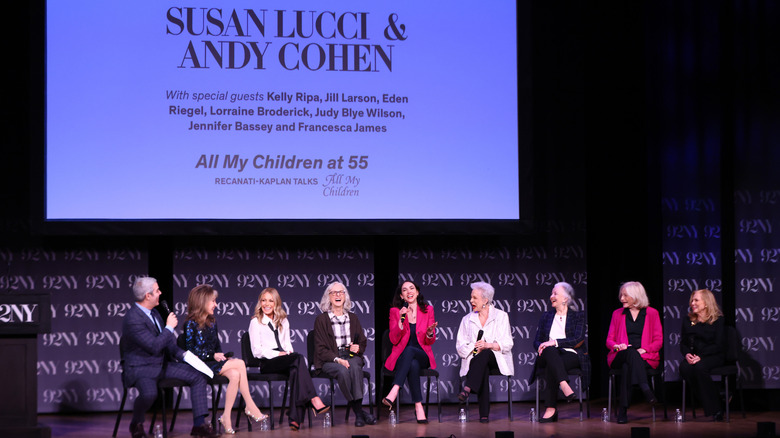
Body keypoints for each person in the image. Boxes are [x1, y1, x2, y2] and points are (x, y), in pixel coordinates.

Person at [121, 277, 219, 438]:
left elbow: (169, 345)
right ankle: (136, 423)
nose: (160, 293)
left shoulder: (154, 313)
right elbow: (154, 346)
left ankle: (199, 425)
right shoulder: (133, 319)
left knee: (198, 376)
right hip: (141, 368)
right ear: (148, 296)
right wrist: (168, 327)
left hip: (162, 365)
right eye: (157, 291)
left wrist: (187, 357)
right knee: (149, 394)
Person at [184, 284, 268, 434]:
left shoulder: (212, 321)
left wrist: (221, 355)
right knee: (240, 363)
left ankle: (226, 417)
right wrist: (212, 356)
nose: (216, 305)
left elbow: (217, 346)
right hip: (200, 366)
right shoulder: (190, 324)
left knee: (235, 374)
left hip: (213, 363)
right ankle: (250, 405)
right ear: (202, 302)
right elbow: (191, 353)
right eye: (213, 301)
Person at [247, 287, 330, 431]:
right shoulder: (256, 322)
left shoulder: (283, 320)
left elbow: (287, 345)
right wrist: (278, 354)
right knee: (298, 359)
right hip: (267, 362)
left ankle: (294, 419)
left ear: (276, 303)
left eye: (270, 301)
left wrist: (287, 353)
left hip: (284, 360)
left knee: (296, 369)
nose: (266, 304)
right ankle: (313, 398)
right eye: (263, 300)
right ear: (260, 303)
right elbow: (256, 351)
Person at [312, 282, 377, 427]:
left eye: (341, 292)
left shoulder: (353, 318)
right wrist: (337, 359)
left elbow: (362, 341)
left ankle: (359, 413)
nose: (338, 295)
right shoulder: (321, 320)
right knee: (343, 370)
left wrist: (357, 348)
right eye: (334, 292)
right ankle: (359, 413)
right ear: (328, 297)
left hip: (351, 356)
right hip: (329, 360)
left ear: (345, 296)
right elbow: (320, 349)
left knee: (355, 366)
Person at [455, 282, 514, 423]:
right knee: (482, 365)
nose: (471, 301)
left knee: (486, 354)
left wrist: (488, 345)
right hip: (476, 361)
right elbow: (460, 347)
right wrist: (476, 346)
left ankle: (468, 388)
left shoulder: (501, 316)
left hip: (497, 360)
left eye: (474, 298)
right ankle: (484, 415)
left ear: (485, 300)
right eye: (471, 297)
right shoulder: (467, 320)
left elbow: (508, 343)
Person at [606, 281, 663, 424]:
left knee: (627, 366)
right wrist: (617, 346)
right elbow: (609, 341)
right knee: (630, 352)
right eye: (621, 295)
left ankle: (623, 411)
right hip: (621, 354)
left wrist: (646, 349)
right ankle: (645, 387)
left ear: (636, 296)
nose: (622, 299)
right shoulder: (617, 314)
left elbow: (658, 340)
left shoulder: (652, 313)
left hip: (645, 356)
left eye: (625, 295)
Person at [381, 280, 438, 424]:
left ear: (417, 292)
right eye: (405, 290)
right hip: (403, 357)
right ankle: (418, 406)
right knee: (412, 363)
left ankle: (394, 389)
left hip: (422, 355)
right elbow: (393, 340)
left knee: (411, 351)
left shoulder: (428, 310)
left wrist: (430, 333)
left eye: (412, 288)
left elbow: (430, 341)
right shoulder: (395, 312)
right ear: (401, 296)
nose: (409, 292)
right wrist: (400, 323)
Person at [531, 282, 588, 423]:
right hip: (546, 354)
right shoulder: (546, 316)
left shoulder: (578, 316)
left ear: (565, 299)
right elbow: (536, 341)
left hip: (571, 354)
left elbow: (578, 338)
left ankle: (551, 409)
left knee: (552, 364)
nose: (551, 296)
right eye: (551, 293)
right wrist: (543, 346)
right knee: (550, 351)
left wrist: (555, 342)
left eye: (555, 293)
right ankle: (564, 384)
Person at [680, 288, 726, 421]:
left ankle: (716, 409)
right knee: (685, 368)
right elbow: (683, 343)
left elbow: (719, 345)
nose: (692, 303)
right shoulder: (688, 320)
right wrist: (687, 354)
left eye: (696, 300)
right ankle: (717, 400)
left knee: (700, 367)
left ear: (706, 303)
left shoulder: (718, 320)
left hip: (713, 355)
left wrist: (701, 356)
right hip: (693, 356)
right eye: (692, 300)